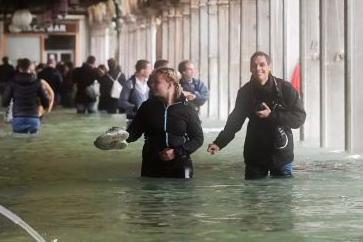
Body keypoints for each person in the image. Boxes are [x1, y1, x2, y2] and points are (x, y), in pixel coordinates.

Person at [207, 51, 306, 180]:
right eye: (254, 65)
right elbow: (234, 122)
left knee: (283, 198)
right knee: (253, 197)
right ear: (250, 69)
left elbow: (299, 118)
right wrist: (219, 143)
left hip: (281, 154)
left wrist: (272, 116)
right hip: (255, 154)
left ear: (269, 66)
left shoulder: (286, 89)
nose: (258, 68)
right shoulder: (245, 92)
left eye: (262, 64)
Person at [126, 67, 204, 178]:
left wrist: (176, 153)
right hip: (152, 164)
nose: (152, 85)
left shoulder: (188, 109)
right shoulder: (147, 106)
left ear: (170, 84)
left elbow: (198, 139)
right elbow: (134, 132)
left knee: (182, 196)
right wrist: (119, 138)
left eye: (156, 82)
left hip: (180, 165)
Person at [1, 58, 50, 134]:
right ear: (30, 67)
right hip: (33, 117)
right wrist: (44, 107)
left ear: (19, 68)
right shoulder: (37, 82)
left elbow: (4, 102)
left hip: (18, 118)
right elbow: (46, 101)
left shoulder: (12, 82)